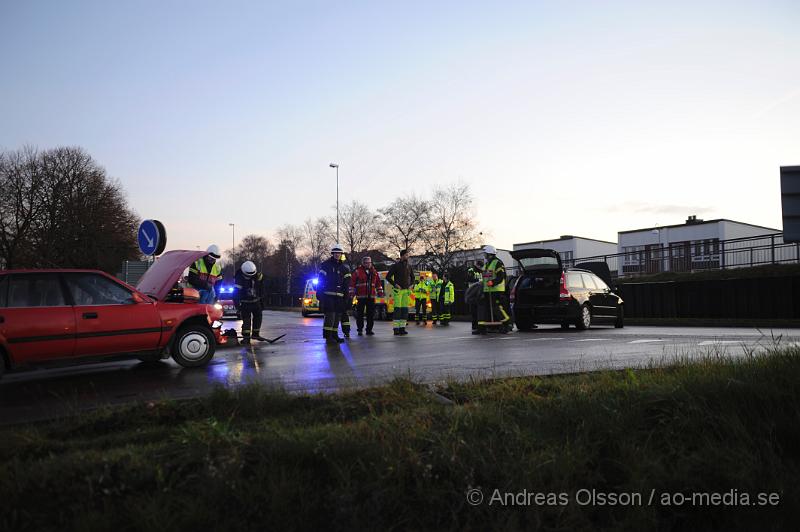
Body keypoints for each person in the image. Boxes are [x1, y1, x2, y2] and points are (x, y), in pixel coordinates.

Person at [477, 245, 512, 334]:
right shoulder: (487, 264)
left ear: (489, 254)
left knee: (497, 308)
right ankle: (487, 327)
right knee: (486, 309)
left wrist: (492, 282)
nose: (484, 255)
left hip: (496, 290)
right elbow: (485, 275)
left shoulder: (498, 263)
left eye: (485, 254)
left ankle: (506, 324)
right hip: (487, 290)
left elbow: (501, 277)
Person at [318, 244, 349, 344]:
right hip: (328, 295)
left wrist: (346, 296)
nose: (337, 254)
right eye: (335, 253)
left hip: (339, 296)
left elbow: (346, 284)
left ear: (341, 254)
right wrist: (319, 293)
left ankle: (335, 335)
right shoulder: (326, 265)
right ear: (332, 254)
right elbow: (320, 280)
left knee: (337, 317)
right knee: (330, 316)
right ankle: (328, 337)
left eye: (339, 253)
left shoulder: (344, 268)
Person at [350, 255, 384, 336]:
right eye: (366, 263)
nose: (368, 264)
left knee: (370, 314)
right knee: (360, 314)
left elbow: (378, 283)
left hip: (371, 296)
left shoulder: (374, 272)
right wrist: (351, 294)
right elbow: (352, 283)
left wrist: (380, 292)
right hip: (361, 296)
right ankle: (360, 329)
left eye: (369, 263)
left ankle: (369, 330)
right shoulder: (357, 272)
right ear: (363, 263)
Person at [234, 260, 265, 345]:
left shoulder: (258, 276)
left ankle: (256, 334)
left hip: (256, 301)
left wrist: (261, 301)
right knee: (246, 320)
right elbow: (235, 293)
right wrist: (237, 306)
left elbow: (261, 289)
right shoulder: (239, 278)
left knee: (258, 317)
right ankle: (246, 338)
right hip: (245, 302)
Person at [385, 249, 413, 335]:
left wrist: (411, 285)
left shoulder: (409, 266)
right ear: (402, 256)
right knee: (398, 310)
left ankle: (402, 328)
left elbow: (413, 277)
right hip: (398, 291)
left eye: (408, 255)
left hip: (406, 291)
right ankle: (396, 329)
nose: (407, 257)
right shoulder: (395, 266)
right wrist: (395, 284)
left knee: (404, 310)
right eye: (406, 255)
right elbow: (388, 277)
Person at [466, 259, 484, 332]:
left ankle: (479, 326)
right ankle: (474, 326)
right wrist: (479, 281)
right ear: (477, 265)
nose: (481, 268)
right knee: (473, 311)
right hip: (472, 292)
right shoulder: (471, 270)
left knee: (479, 311)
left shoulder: (481, 271)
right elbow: (469, 279)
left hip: (479, 292)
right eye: (480, 266)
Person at [339, 253, 353, 338]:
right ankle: (346, 332)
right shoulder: (345, 269)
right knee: (343, 315)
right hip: (343, 295)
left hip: (343, 295)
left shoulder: (345, 269)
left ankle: (346, 331)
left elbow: (348, 284)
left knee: (343, 315)